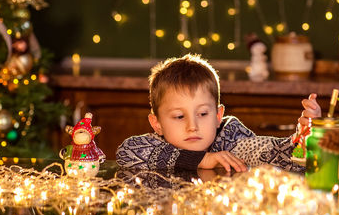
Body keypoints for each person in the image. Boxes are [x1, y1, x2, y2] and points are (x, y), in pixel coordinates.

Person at [116, 54, 322, 173]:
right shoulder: (153, 145)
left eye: (203, 114)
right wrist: (202, 160)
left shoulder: (230, 140)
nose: (192, 126)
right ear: (157, 123)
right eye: (179, 116)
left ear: (217, 116)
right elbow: (126, 152)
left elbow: (274, 153)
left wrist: (304, 138)